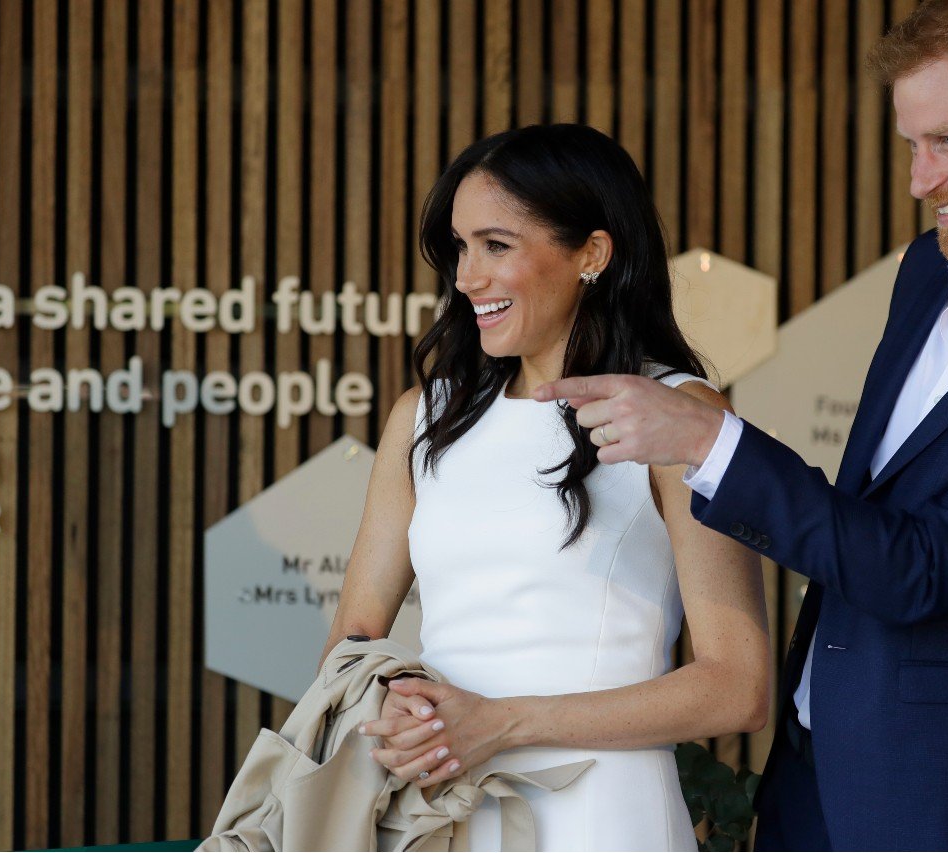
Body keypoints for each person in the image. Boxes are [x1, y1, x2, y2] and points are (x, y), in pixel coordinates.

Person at [535, 1, 948, 849]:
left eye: (947, 143)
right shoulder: (932, 270)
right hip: (811, 779)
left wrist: (708, 442)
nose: (922, 180)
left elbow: (920, 566)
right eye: (911, 147)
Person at [319, 123, 769, 851]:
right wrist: (391, 707)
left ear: (592, 253)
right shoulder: (423, 418)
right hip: (442, 819)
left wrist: (503, 721)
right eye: (461, 247)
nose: (467, 276)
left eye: (496, 245)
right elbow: (352, 638)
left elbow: (736, 686)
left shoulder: (682, 416)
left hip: (605, 821)